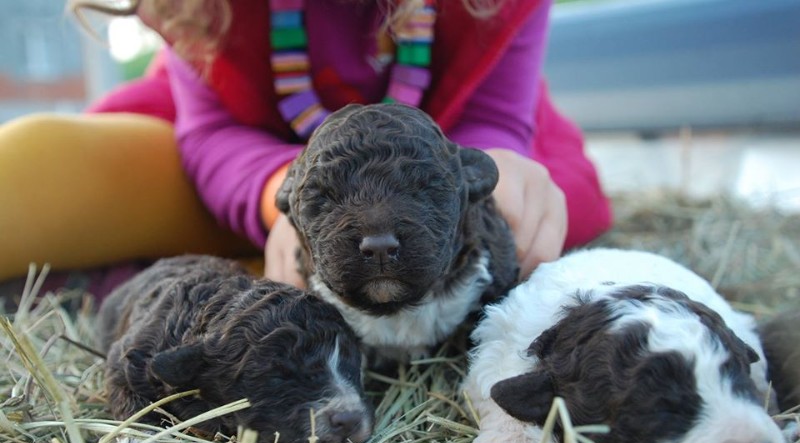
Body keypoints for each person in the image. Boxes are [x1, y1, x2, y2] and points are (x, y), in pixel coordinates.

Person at [0, 0, 612, 298]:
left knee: (560, 200)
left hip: (444, 138)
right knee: (65, 163)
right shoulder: (201, 12)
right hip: (257, 140)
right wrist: (282, 198)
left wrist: (495, 163)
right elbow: (212, 136)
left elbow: (495, 114)